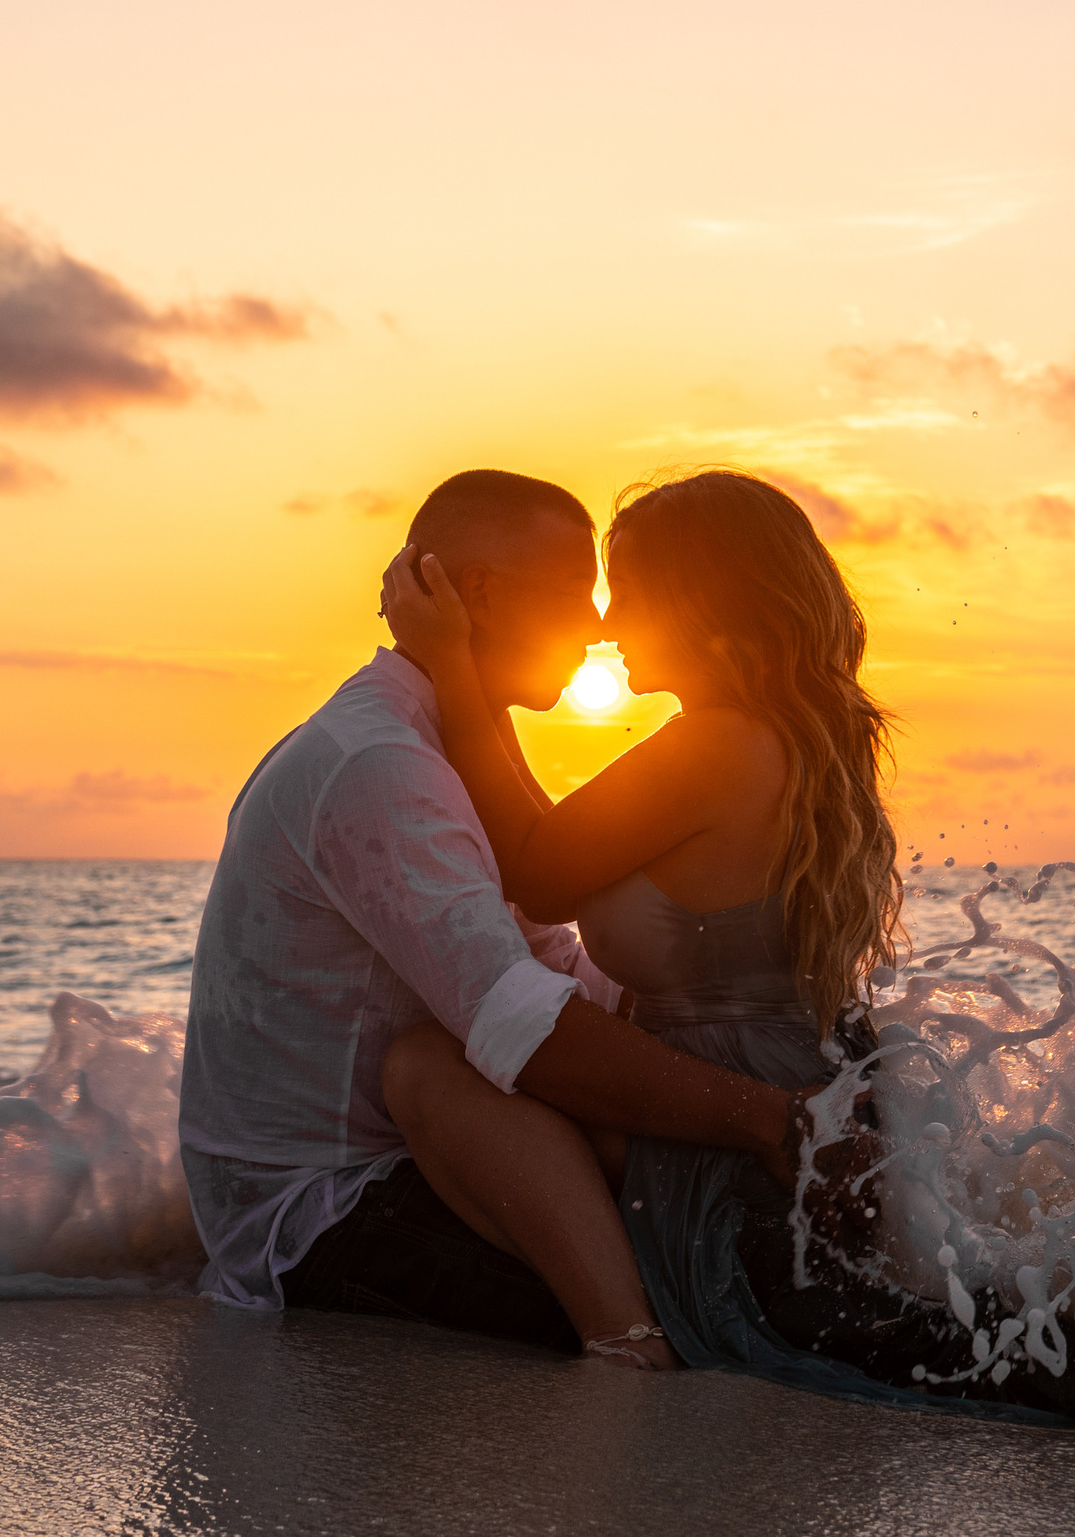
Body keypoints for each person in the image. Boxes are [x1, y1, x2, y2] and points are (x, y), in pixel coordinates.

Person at [380, 468, 1075, 1419]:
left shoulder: (714, 745)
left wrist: (454, 665)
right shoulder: (788, 736)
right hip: (800, 1065)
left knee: (430, 1067)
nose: (603, 621)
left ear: (696, 600)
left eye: (626, 591)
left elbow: (537, 867)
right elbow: (555, 836)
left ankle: (625, 1339)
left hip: (739, 1088)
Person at [179, 469, 836, 1372]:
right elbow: (519, 1015)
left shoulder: (432, 743)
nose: (600, 624)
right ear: (478, 592)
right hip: (328, 1210)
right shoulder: (380, 763)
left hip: (433, 1159)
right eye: (576, 591)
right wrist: (767, 1116)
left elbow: (536, 928)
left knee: (751, 1260)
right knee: (717, 1299)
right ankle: (634, 1353)